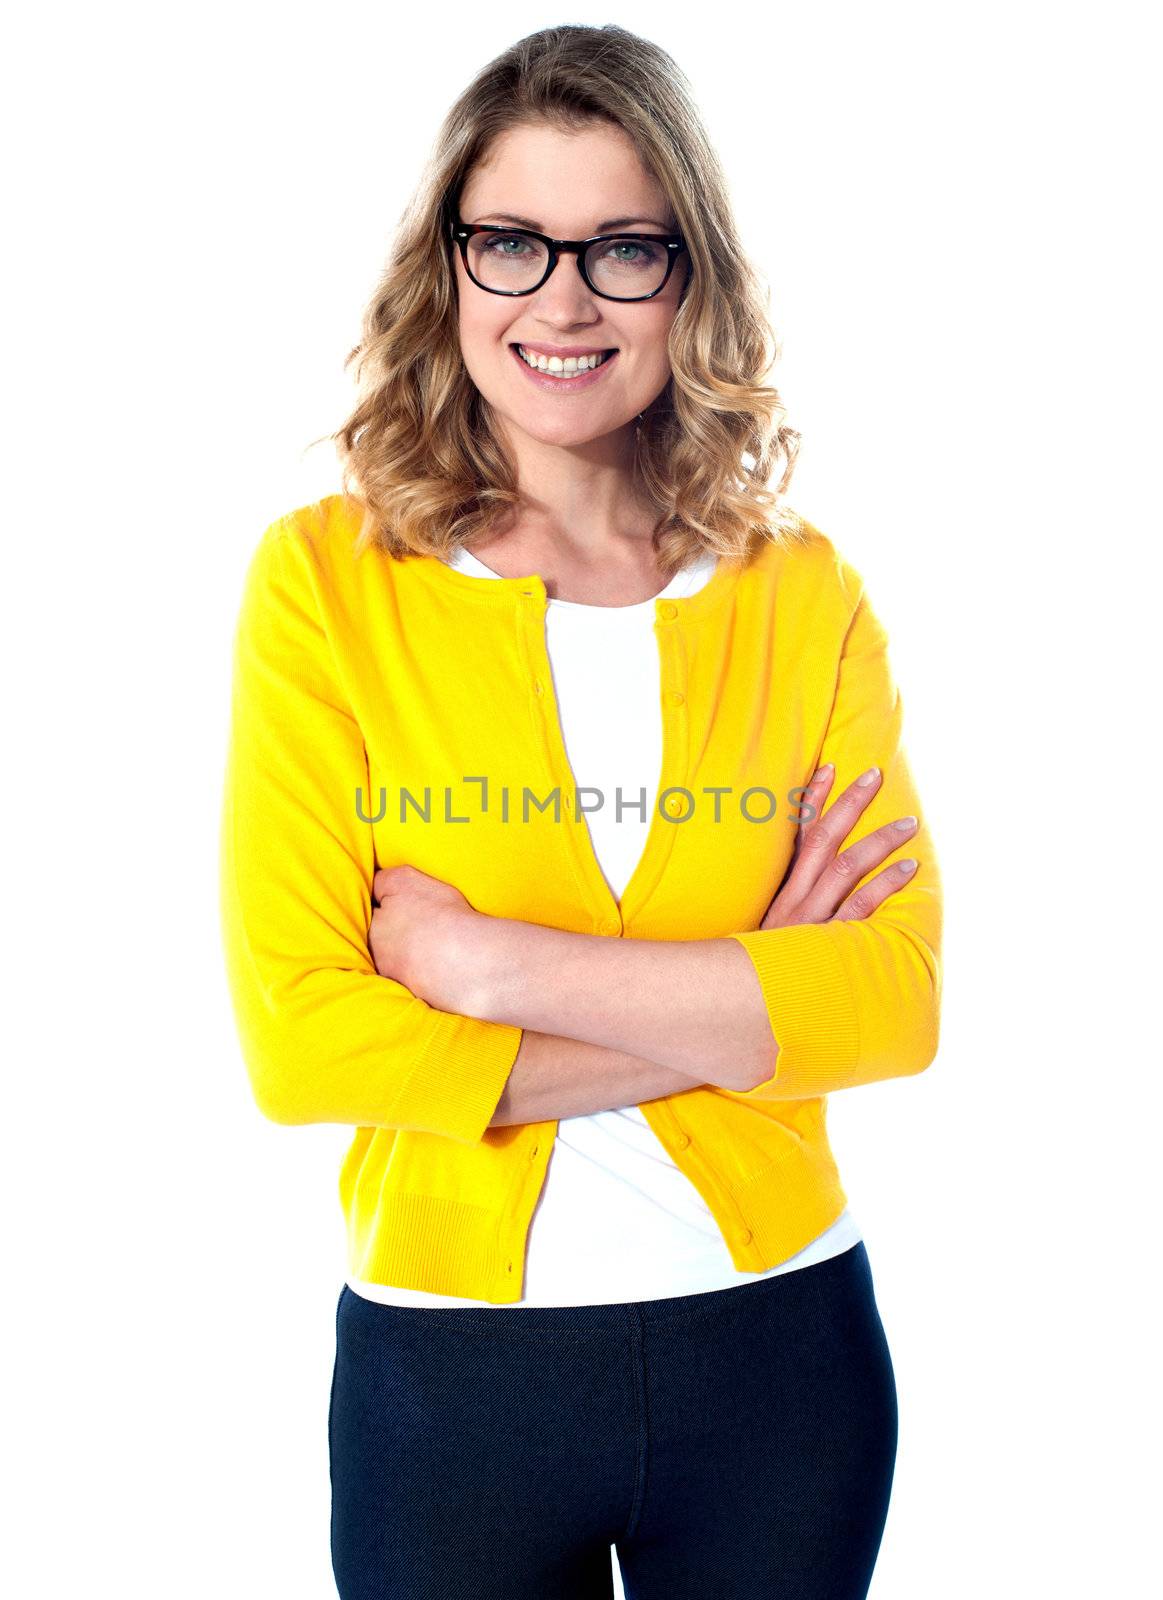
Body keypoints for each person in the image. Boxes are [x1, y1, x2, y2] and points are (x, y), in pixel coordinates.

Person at [218, 23, 943, 1600]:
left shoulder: (799, 594)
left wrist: (491, 970)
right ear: (449, 269)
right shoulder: (327, 586)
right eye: (513, 244)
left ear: (691, 278)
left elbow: (891, 1003)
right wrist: (752, 989)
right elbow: (305, 1048)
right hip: (450, 1386)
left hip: (784, 1361)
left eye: (622, 246)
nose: (562, 299)